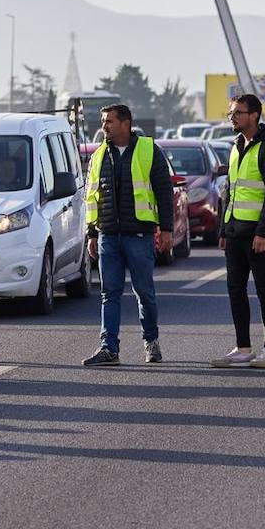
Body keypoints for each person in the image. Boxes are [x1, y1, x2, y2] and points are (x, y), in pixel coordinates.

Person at [82, 104, 174, 367]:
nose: (104, 126)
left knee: (144, 293)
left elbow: (164, 192)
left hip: (138, 235)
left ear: (125, 123)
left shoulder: (148, 150)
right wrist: (92, 233)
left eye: (109, 121)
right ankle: (108, 348)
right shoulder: (99, 155)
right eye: (103, 121)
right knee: (108, 293)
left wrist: (166, 230)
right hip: (108, 235)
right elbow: (91, 197)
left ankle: (151, 342)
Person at [212, 94, 265, 369]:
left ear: (254, 115)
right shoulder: (237, 145)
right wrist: (224, 229)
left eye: (237, 113)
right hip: (236, 233)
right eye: (230, 112)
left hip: (261, 235)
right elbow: (231, 191)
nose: (232, 117)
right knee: (235, 290)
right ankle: (243, 348)